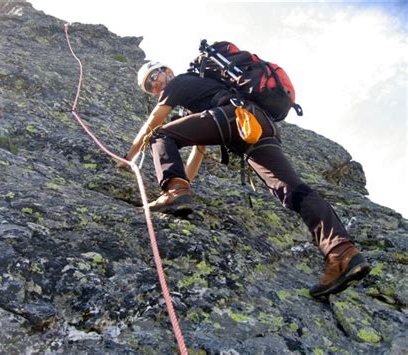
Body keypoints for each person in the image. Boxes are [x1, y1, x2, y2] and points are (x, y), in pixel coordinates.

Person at [117, 60, 371, 298]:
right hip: (258, 126)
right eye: (149, 87)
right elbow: (200, 150)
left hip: (233, 119)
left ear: (166, 71)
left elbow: (154, 123)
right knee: (293, 191)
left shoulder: (179, 82)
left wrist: (129, 157)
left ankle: (173, 190)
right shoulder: (198, 94)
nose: (154, 86)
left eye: (153, 78)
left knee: (159, 135)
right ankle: (342, 253)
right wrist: (182, 187)